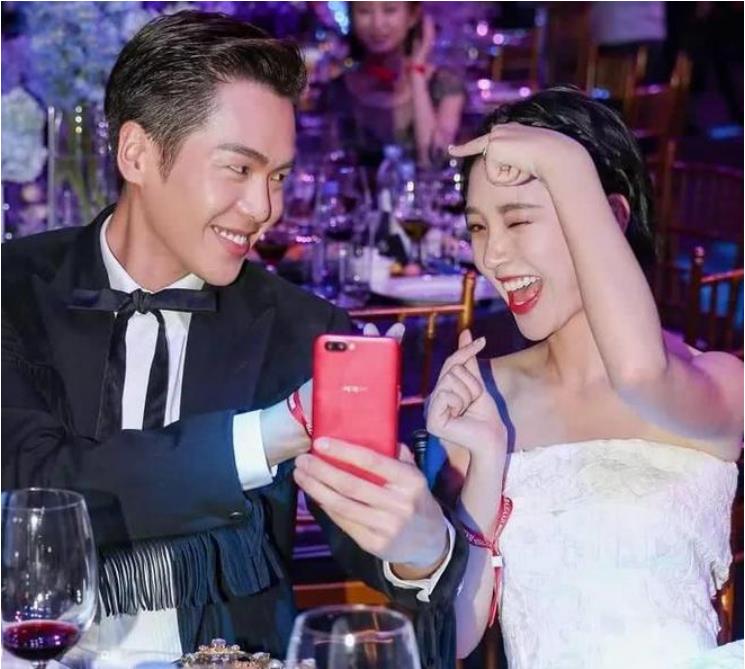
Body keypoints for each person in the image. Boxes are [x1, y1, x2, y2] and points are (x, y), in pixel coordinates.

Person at [1, 12, 468, 669]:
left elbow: (387, 567)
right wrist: (267, 434)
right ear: (136, 154)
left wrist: (420, 545)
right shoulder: (14, 290)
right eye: (238, 168)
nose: (265, 208)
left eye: (277, 176)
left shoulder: (301, 331)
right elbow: (34, 483)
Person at [424, 87, 743, 667]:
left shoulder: (719, 383)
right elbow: (455, 637)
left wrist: (566, 165)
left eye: (519, 220)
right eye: (478, 228)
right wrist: (485, 462)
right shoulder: (483, 397)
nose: (493, 257)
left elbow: (638, 374)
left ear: (610, 217)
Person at [323, 1, 465, 167]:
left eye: (389, 10)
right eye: (364, 11)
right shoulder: (337, 90)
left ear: (412, 16)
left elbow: (432, 162)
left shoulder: (444, 86)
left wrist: (416, 73)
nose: (377, 24)